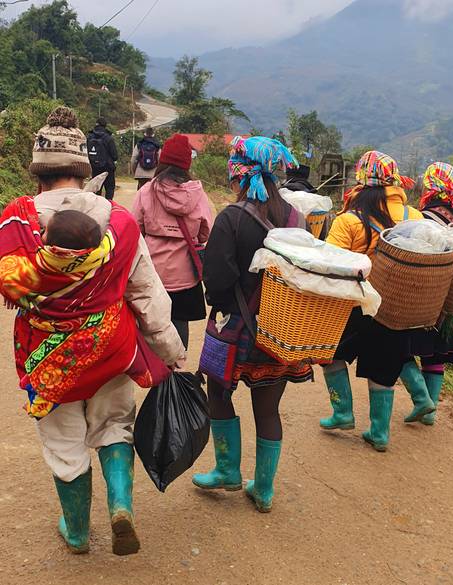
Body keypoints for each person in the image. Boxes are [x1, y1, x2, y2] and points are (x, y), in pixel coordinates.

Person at [0, 107, 185, 556]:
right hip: (112, 349)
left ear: (38, 171)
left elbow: (9, 280)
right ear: (84, 169)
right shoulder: (119, 221)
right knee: (114, 426)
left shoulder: (15, 220)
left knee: (64, 442)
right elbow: (147, 294)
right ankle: (121, 507)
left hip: (48, 358)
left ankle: (78, 531)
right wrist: (171, 351)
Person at [192, 136, 313, 513]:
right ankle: (263, 490)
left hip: (239, 330)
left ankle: (227, 470)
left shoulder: (230, 218)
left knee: (218, 394)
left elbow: (217, 281)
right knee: (268, 408)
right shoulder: (296, 217)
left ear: (238, 176)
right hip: (282, 331)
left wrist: (223, 302)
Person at [321, 150, 435, 451]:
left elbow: (330, 263)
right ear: (396, 181)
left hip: (358, 305)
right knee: (385, 365)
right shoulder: (417, 218)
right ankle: (379, 433)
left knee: (330, 352)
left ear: (361, 181)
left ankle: (342, 412)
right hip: (400, 307)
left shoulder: (349, 219)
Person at [400, 162, 453, 425]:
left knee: (399, 347)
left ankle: (422, 398)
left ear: (430, 186)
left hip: (428, 299)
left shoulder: (423, 218)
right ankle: (430, 413)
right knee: (437, 356)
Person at [132, 133, 212, 350]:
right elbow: (205, 233)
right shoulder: (198, 195)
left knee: (150, 322)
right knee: (179, 322)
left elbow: (134, 231)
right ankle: (175, 372)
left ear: (162, 160)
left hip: (152, 273)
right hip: (185, 275)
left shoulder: (146, 191)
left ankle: (154, 374)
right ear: (187, 165)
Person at [87, 117, 118, 200]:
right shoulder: (108, 138)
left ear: (96, 124)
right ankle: (109, 206)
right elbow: (115, 156)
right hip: (108, 168)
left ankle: (95, 207)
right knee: (109, 189)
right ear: (105, 126)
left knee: (96, 189)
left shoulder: (89, 137)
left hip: (94, 167)